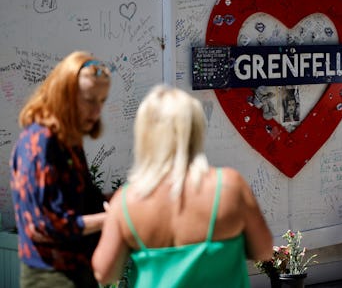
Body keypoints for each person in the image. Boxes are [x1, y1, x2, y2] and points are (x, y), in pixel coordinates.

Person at [92, 85, 273, 287]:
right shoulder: (229, 186)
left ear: (144, 135)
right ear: (195, 128)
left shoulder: (127, 201)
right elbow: (264, 251)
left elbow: (104, 273)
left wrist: (114, 221)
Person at [10, 51, 112, 288]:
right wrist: (110, 219)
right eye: (89, 100)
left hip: (80, 272)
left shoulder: (69, 141)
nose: (97, 111)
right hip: (52, 277)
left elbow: (84, 203)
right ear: (64, 96)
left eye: (102, 101)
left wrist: (124, 200)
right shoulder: (41, 141)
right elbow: (43, 225)